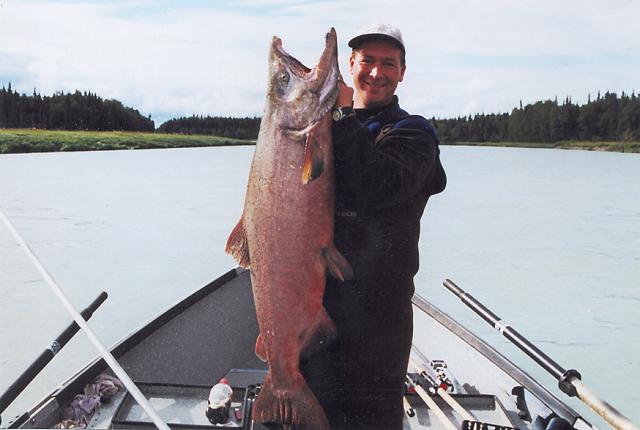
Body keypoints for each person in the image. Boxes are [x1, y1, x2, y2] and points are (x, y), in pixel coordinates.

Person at [300, 24, 447, 429]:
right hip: (314, 307)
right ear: (350, 65)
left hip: (378, 322)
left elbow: (378, 186)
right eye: (367, 61)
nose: (376, 73)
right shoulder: (320, 130)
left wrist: (342, 114)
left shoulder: (414, 134)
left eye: (388, 63)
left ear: (402, 72)